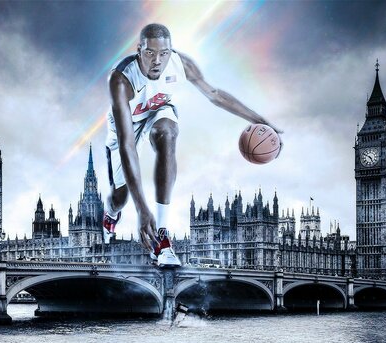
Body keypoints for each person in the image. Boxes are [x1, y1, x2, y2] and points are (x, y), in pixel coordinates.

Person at [103, 23, 281, 266]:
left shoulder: (181, 64)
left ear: (171, 51)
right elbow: (127, 145)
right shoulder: (121, 79)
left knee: (168, 132)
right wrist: (143, 209)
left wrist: (259, 120)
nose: (157, 61)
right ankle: (111, 213)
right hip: (128, 124)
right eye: (150, 53)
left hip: (158, 112)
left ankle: (162, 236)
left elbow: (215, 95)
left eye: (163, 54)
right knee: (120, 196)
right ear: (139, 50)